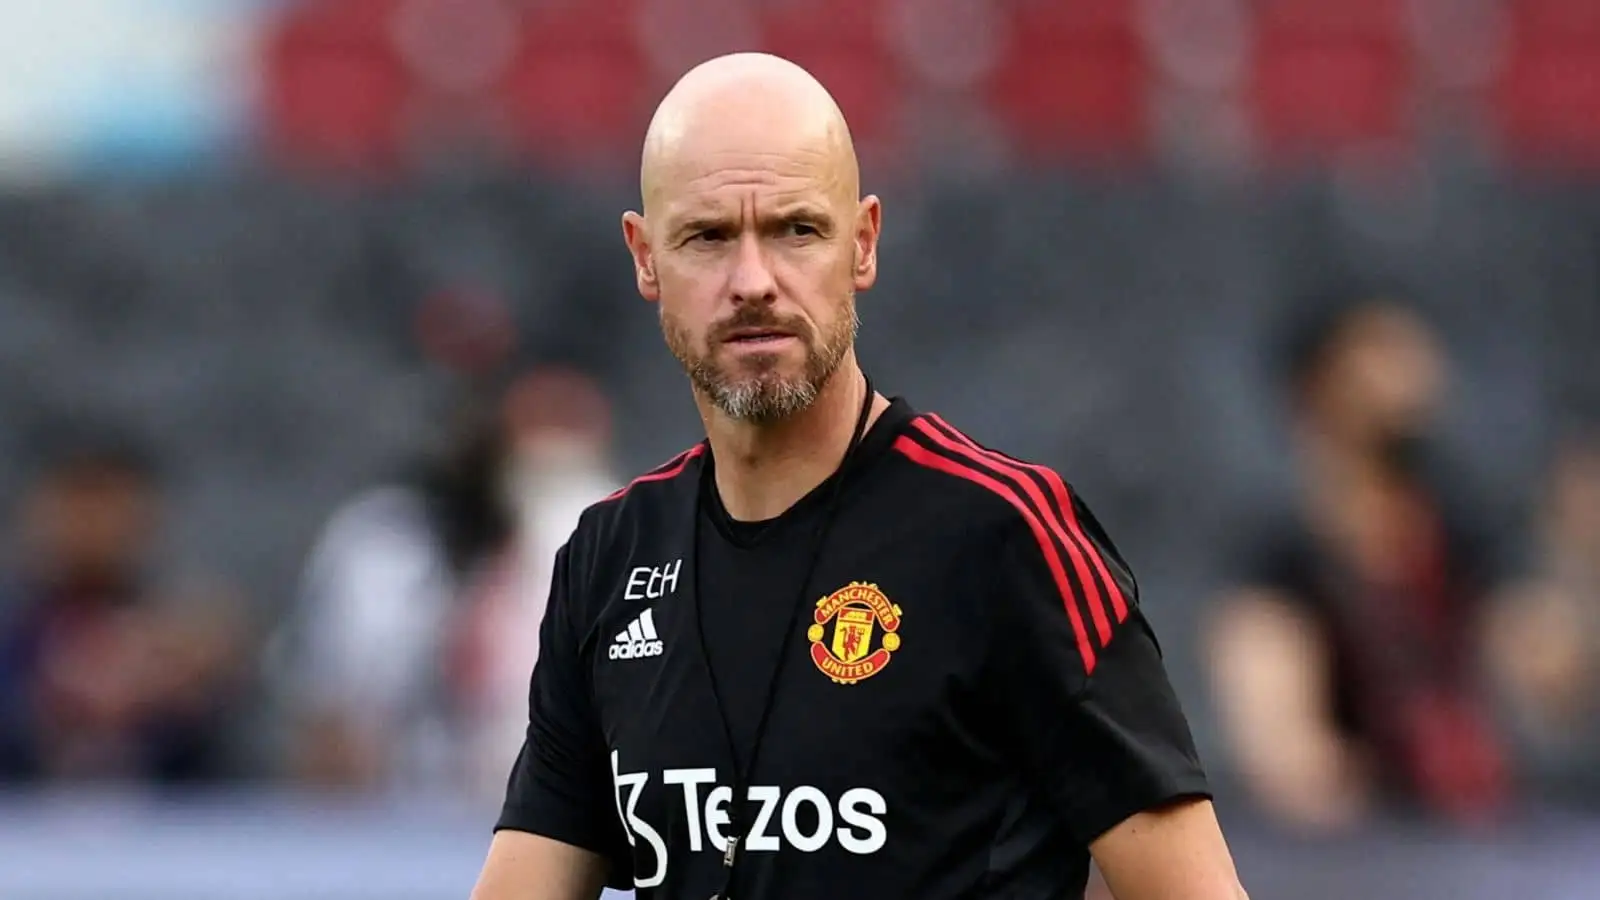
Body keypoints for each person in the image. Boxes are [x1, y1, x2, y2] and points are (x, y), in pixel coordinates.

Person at [471, 53, 1246, 900]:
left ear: (864, 243)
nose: (754, 282)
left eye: (797, 230)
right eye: (709, 237)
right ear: (645, 257)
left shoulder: (1004, 535)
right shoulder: (608, 557)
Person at [1207, 296, 1513, 832]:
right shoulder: (1279, 563)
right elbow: (1284, 751)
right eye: (1382, 354)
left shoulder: (1468, 541)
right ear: (1318, 387)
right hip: (1370, 855)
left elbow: (1540, 661)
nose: (1413, 374)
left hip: (1494, 843)